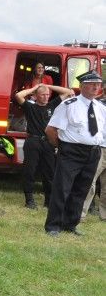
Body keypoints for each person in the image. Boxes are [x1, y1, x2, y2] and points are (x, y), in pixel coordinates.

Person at [44, 70, 106, 236]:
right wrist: (61, 147)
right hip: (71, 151)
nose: (96, 87)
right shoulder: (69, 105)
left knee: (81, 189)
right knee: (62, 188)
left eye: (98, 84)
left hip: (93, 152)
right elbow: (50, 130)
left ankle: (71, 224)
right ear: (82, 86)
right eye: (92, 84)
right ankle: (53, 226)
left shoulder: (101, 108)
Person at [14, 83, 74, 208]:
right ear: (36, 96)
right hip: (33, 142)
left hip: (48, 143)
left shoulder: (52, 105)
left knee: (49, 173)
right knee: (29, 171)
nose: (46, 97)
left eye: (48, 95)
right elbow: (19, 95)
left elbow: (68, 92)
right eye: (43, 95)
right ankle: (29, 200)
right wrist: (35, 88)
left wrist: (48, 86)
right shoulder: (30, 107)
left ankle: (48, 201)